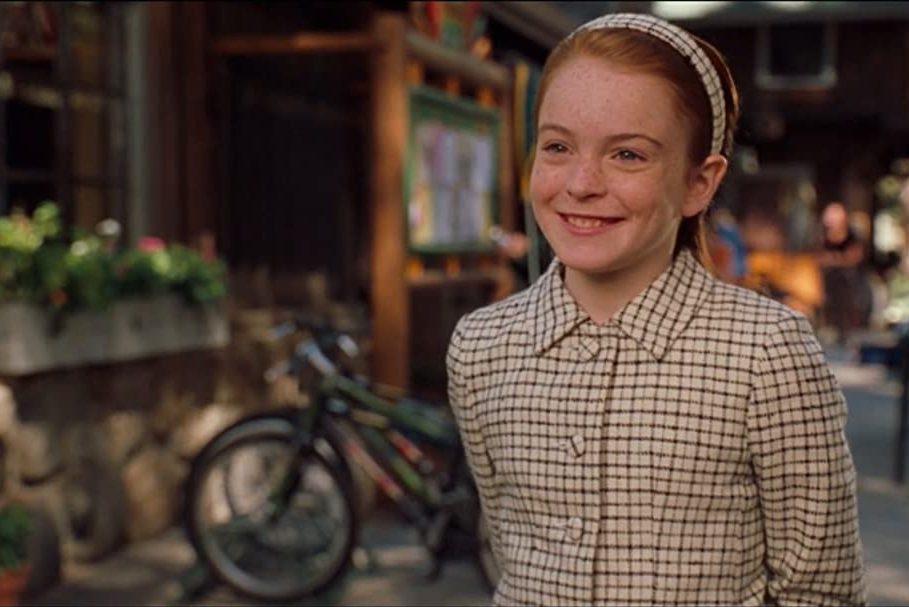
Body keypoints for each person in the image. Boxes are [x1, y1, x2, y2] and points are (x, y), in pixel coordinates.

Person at [446, 12, 865, 606]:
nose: (582, 182)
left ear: (699, 182)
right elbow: (511, 545)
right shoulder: (480, 347)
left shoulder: (766, 354)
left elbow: (821, 593)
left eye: (628, 156)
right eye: (558, 146)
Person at [818, 201, 870, 343]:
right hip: (830, 277)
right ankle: (831, 329)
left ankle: (847, 332)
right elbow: (819, 257)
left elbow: (855, 256)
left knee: (847, 303)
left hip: (849, 278)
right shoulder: (822, 235)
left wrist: (836, 259)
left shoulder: (851, 234)